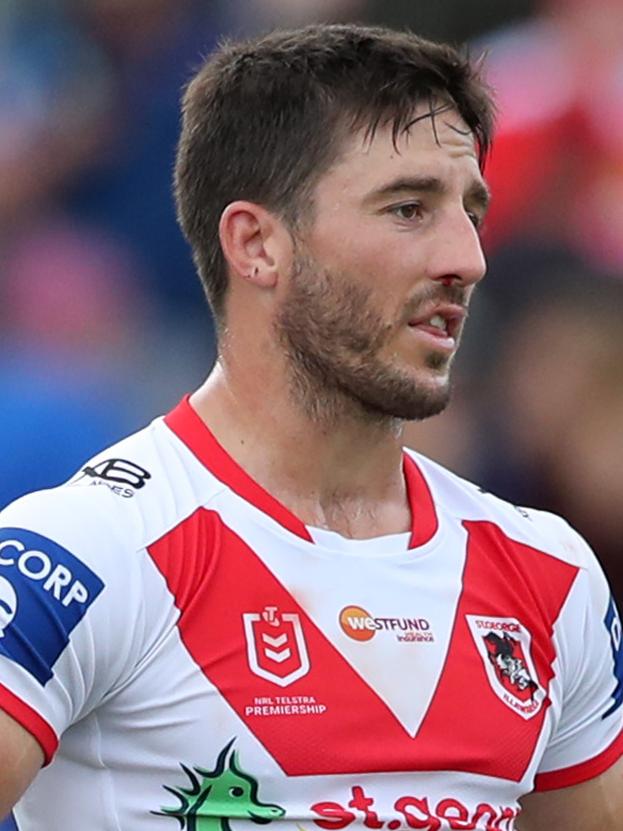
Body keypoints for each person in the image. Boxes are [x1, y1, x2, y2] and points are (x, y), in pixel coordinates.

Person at [0, 24, 620, 831]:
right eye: (407, 208)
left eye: (470, 210)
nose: (466, 257)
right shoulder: (91, 552)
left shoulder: (549, 572)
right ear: (256, 244)